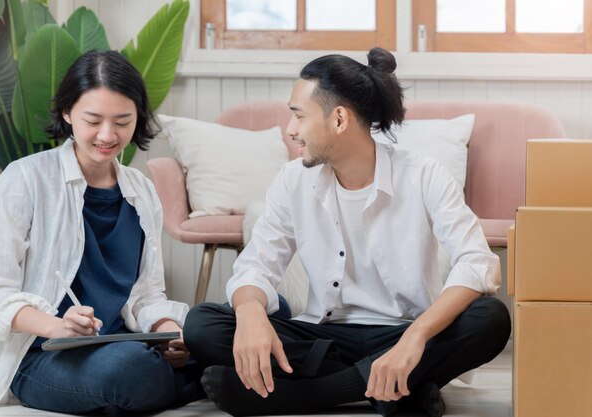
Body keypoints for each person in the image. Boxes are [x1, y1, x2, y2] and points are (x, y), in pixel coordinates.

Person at [184, 47, 511, 417]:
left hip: (401, 333)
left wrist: (415, 339)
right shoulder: (293, 180)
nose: (290, 130)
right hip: (325, 336)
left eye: (298, 116)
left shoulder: (424, 175)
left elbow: (477, 263)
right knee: (203, 324)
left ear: (339, 119)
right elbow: (257, 264)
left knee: (490, 318)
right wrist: (249, 314)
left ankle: (310, 394)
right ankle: (399, 388)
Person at [0, 50, 204, 413]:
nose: (108, 135)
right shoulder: (26, 178)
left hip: (124, 343)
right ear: (67, 113)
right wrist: (55, 325)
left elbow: (146, 293)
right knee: (129, 370)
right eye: (93, 120)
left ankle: (196, 372)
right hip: (42, 356)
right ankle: (206, 381)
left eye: (123, 121)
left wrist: (168, 329)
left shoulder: (140, 189)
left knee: (229, 327)